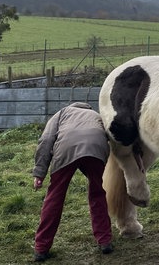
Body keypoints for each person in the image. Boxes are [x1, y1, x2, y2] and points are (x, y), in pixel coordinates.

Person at [32, 102, 114, 262]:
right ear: (87, 108)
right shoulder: (96, 116)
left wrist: (39, 173)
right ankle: (105, 241)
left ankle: (41, 248)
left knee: (55, 197)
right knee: (97, 193)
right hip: (96, 149)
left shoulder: (62, 113)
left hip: (66, 149)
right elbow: (111, 136)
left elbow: (46, 139)